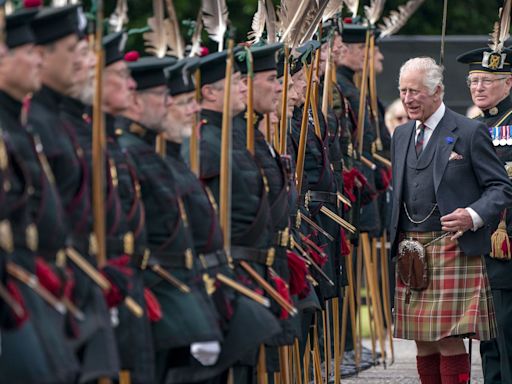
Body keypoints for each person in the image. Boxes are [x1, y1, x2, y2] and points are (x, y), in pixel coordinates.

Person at [391, 56, 512, 383]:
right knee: (423, 341)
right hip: (409, 249)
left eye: (415, 91)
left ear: (438, 92)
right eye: (403, 91)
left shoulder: (469, 131)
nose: (408, 99)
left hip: (452, 247)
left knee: (447, 338)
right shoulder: (401, 134)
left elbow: (501, 187)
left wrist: (472, 215)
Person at [457, 46, 512, 384]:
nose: (478, 88)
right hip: (479, 243)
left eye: (486, 81)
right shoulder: (469, 127)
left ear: (508, 83)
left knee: (506, 333)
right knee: (488, 338)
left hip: (505, 241)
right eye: (473, 81)